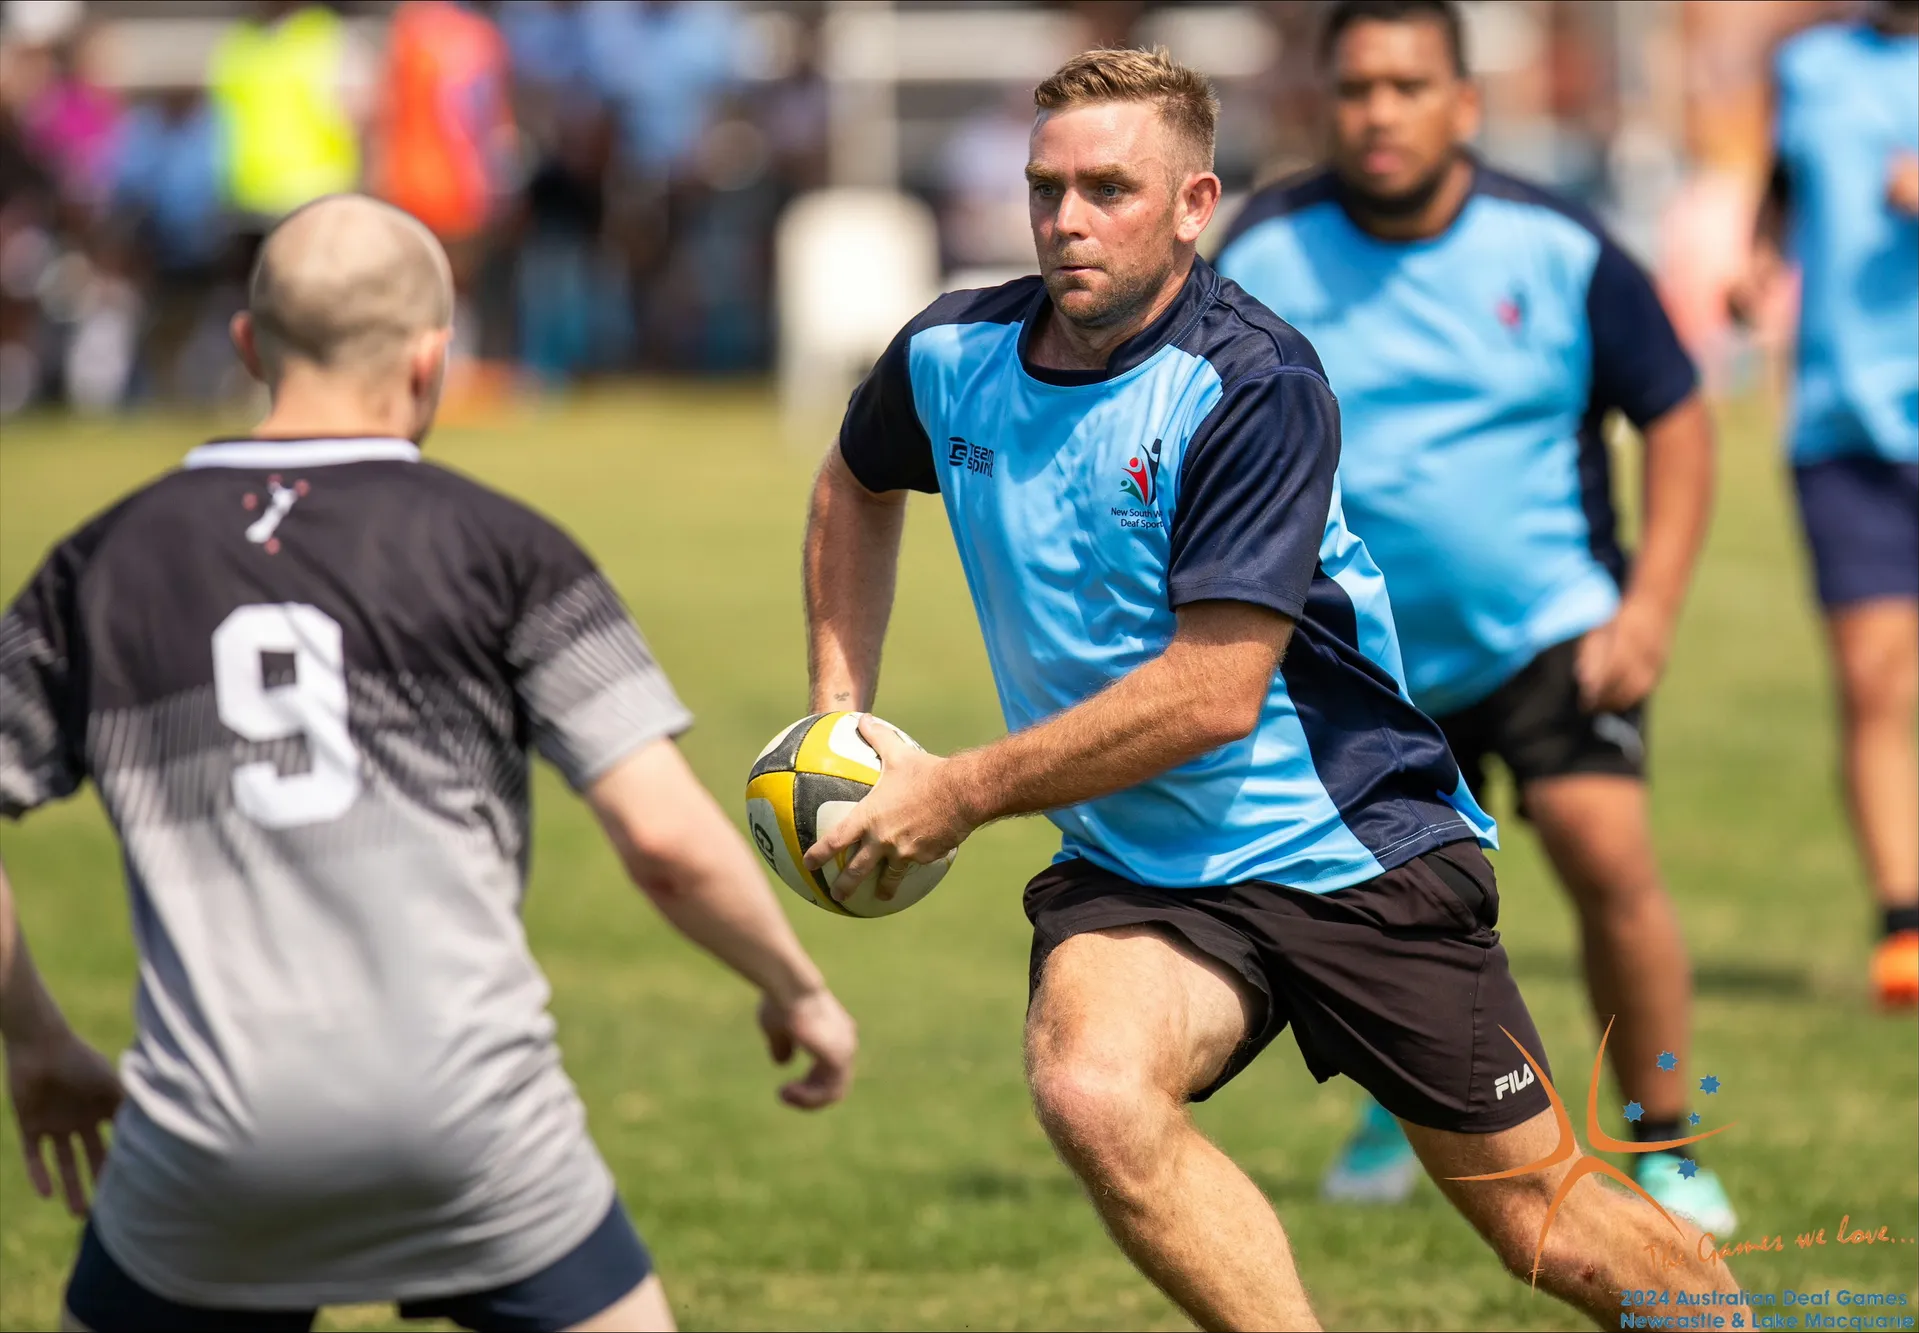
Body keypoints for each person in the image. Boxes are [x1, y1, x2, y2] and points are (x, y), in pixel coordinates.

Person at [801, 45, 1738, 1331]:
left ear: (1194, 205)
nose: (1067, 220)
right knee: (1092, 1090)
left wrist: (953, 791)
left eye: (1110, 189)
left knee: (1546, 1223)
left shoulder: (1250, 385)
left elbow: (1210, 694)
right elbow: (853, 483)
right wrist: (836, 714)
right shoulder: (951, 353)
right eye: (1046, 188)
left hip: (1353, 851)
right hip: (1142, 868)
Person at [0, 193, 857, 1333]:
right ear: (431, 358)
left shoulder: (100, 563)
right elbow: (660, 840)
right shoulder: (505, 549)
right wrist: (794, 985)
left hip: (209, 1148)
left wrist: (38, 1039)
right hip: (473, 1131)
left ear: (249, 346)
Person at [1215, 0, 1733, 1230]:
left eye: (1406, 86)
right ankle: (1406, 1101)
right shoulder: (1265, 248)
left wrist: (1647, 606)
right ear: (1322, 104)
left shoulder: (1555, 246)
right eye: (1354, 90)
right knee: (1384, 899)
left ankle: (1662, 1140)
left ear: (1465, 102)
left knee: (1600, 850)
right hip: (1356, 656)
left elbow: (1676, 414)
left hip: (1547, 623)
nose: (1378, 113)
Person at [1733, 0, 1918, 1008]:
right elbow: (1781, 185)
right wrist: (1756, 264)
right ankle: (1902, 925)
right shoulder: (1806, 64)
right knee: (1871, 678)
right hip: (1840, 418)